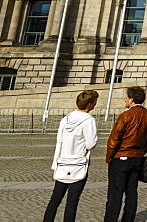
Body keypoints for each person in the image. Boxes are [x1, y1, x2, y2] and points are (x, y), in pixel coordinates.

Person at [44, 89, 98, 222]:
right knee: (72, 202)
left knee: (55, 199)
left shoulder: (66, 119)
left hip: (63, 161)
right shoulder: (88, 120)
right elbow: (91, 144)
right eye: (95, 101)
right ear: (90, 104)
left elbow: (59, 141)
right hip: (78, 162)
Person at [104, 85, 147, 222]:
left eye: (126, 98)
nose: (125, 100)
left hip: (121, 157)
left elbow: (114, 139)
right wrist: (140, 152)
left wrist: (110, 157)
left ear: (132, 100)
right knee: (131, 192)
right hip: (137, 157)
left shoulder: (126, 115)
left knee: (115, 194)